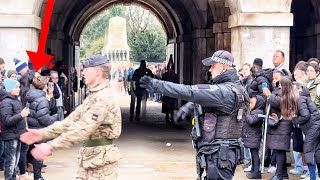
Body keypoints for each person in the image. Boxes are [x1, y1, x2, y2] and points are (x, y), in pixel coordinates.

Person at [139, 50, 249, 179]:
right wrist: (188, 106)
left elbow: (191, 91)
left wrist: (156, 84)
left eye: (213, 66)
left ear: (224, 67)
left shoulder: (224, 91)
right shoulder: (232, 88)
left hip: (220, 155)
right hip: (219, 152)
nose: (210, 70)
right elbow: (203, 96)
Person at [20, 55, 122, 179]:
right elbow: (70, 121)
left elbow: (83, 128)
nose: (82, 72)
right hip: (91, 157)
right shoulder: (93, 95)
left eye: (85, 69)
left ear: (97, 71)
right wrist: (42, 134)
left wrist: (51, 145)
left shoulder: (104, 97)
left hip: (102, 162)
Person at [0, 79, 30, 180]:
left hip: (17, 134)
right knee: (10, 161)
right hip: (11, 136)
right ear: (9, 88)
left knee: (15, 160)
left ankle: (12, 177)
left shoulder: (15, 100)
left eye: (18, 87)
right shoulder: (6, 102)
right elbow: (6, 120)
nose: (18, 89)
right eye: (16, 87)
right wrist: (21, 115)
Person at [242, 95, 265, 179]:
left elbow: (251, 121)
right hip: (251, 136)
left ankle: (256, 173)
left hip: (254, 136)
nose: (249, 104)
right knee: (252, 153)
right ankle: (253, 169)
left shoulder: (259, 112)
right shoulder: (254, 111)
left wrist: (247, 111)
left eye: (251, 103)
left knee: (255, 154)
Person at [161, 60, 178, 126]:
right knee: (166, 105)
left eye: (171, 67)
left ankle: (172, 115)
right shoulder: (164, 75)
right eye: (169, 67)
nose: (170, 68)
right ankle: (167, 115)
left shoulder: (175, 76)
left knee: (172, 104)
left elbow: (177, 83)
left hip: (172, 92)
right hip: (166, 92)